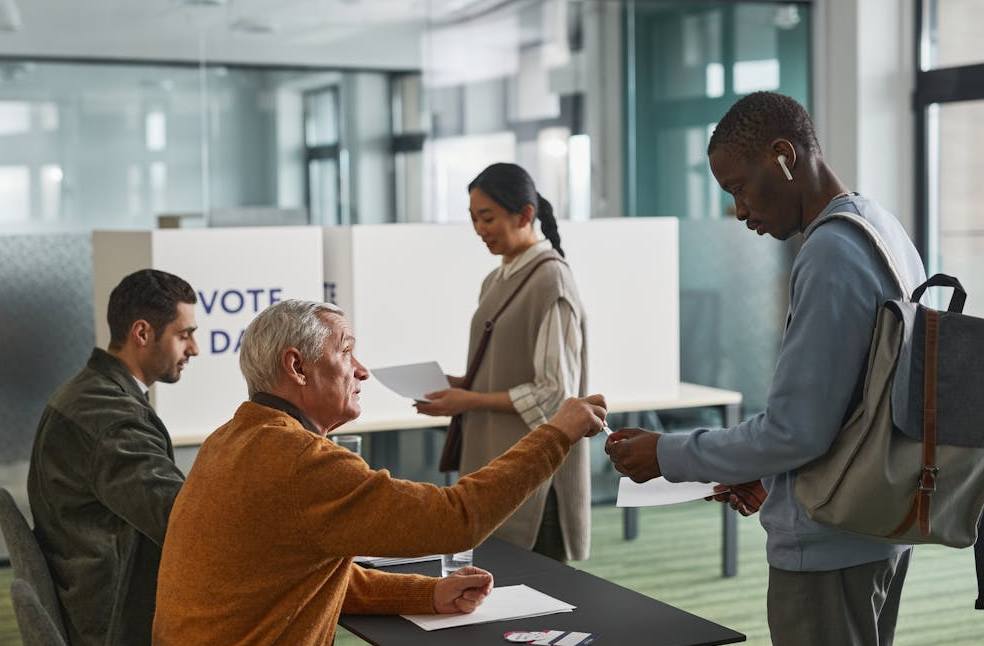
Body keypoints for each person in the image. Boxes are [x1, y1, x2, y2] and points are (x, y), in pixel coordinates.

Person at [605, 91, 926, 646]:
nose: (740, 211)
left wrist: (666, 454)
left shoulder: (829, 253)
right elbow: (856, 405)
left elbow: (794, 430)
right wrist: (771, 473)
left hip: (828, 547)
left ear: (784, 155)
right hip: (879, 524)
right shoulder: (882, 227)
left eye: (739, 188)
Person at [153, 299, 606, 645]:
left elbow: (301, 576)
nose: (362, 370)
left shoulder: (229, 440)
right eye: (346, 351)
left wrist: (426, 595)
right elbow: (455, 520)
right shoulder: (298, 461)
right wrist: (556, 433)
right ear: (297, 366)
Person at [416, 162, 591, 563]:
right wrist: (461, 385)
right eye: (474, 218)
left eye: (488, 217)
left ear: (525, 215)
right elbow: (506, 370)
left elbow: (554, 396)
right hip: (497, 467)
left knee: (539, 604)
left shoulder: (551, 282)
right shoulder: (497, 280)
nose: (480, 229)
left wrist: (469, 401)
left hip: (535, 477)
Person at [27, 268, 199, 646]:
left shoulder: (89, 392)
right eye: (184, 335)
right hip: (115, 618)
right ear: (142, 333)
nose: (194, 349)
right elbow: (184, 523)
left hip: (87, 590)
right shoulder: (113, 419)